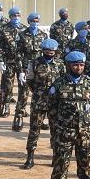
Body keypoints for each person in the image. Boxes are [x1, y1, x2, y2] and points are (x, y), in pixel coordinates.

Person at [42, 51, 90, 179]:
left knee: (86, 163)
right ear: (68, 65)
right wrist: (57, 130)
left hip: (85, 132)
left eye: (81, 65)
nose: (79, 68)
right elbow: (52, 109)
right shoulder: (58, 84)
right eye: (75, 65)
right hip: (65, 132)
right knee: (60, 164)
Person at [22, 38, 64, 169]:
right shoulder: (34, 63)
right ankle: (30, 157)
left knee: (56, 130)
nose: (50, 53)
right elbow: (30, 81)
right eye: (47, 51)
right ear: (43, 50)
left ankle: (56, 156)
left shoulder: (60, 64)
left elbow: (63, 81)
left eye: (52, 51)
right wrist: (39, 92)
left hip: (55, 103)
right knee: (34, 129)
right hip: (38, 102)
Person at [13, 12, 47, 131]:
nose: (35, 23)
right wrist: (21, 70)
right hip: (26, 67)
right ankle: (19, 118)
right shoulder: (22, 35)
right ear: (28, 22)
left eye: (37, 21)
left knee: (40, 94)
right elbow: (18, 54)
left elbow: (45, 53)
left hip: (39, 68)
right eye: (33, 21)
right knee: (23, 93)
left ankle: (40, 119)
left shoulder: (43, 35)